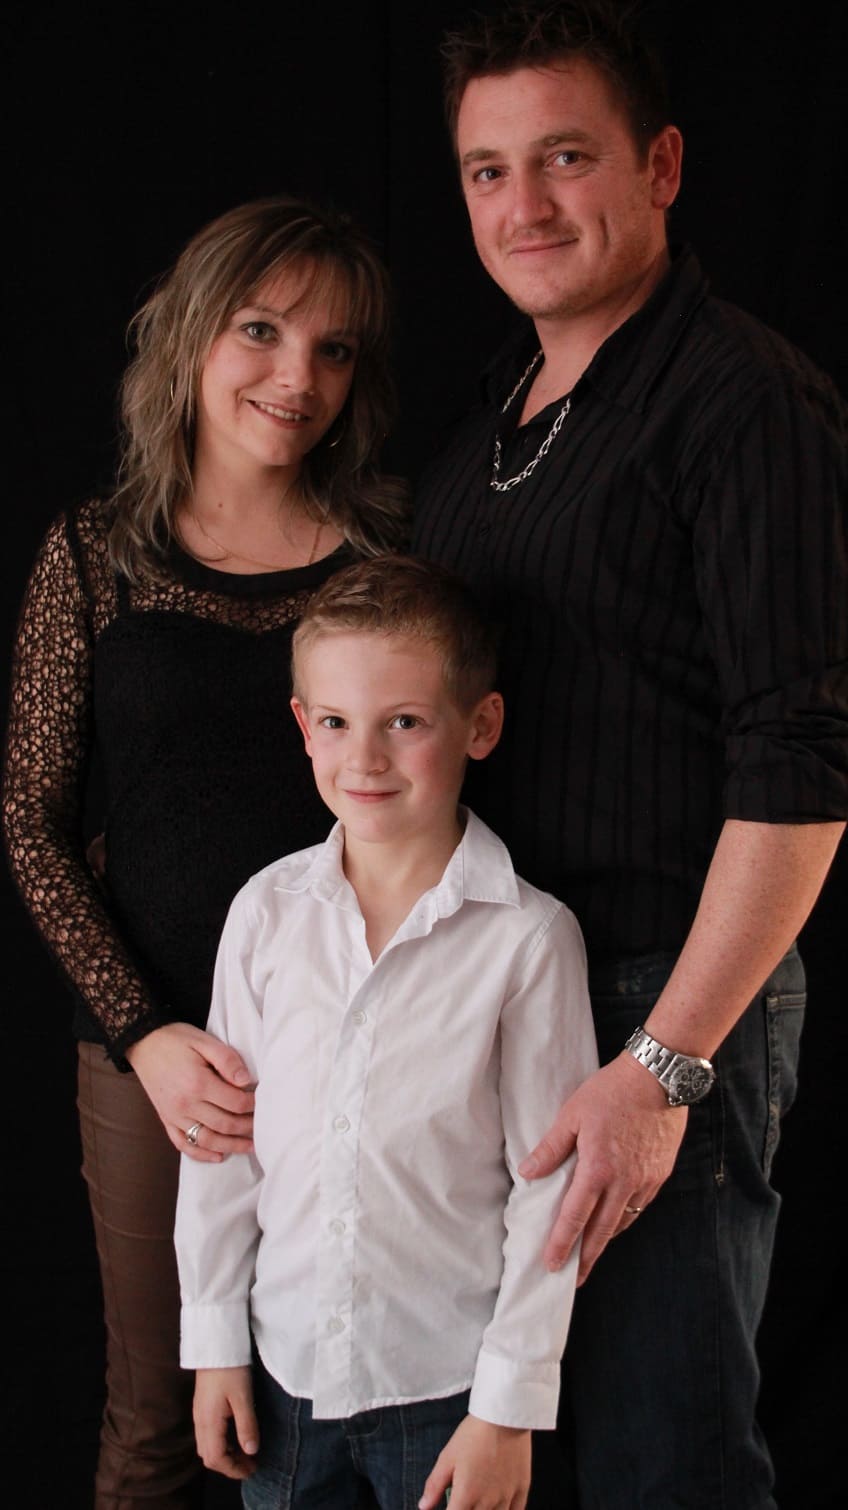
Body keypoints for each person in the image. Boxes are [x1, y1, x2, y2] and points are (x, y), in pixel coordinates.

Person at [411, 3, 848, 1506]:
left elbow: (801, 760)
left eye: (566, 157)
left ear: (659, 166)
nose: (522, 205)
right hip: (505, 993)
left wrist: (660, 1071)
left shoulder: (742, 401)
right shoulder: (500, 410)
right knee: (513, 1448)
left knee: (664, 1462)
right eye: (487, 171)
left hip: (652, 1003)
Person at [2, 195, 408, 1509]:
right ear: (189, 335)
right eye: (262, 330)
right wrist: (145, 1034)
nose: (298, 376)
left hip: (357, 1043)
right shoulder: (94, 555)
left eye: (334, 348)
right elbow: (33, 822)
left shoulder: (385, 556)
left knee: (345, 1412)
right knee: (160, 1420)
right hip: (160, 1060)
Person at [174, 554, 599, 1510]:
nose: (363, 759)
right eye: (335, 722)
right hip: (281, 1379)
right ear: (302, 725)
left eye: (404, 722)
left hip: (445, 1393)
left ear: (479, 725)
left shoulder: (529, 940)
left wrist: (507, 1410)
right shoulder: (266, 913)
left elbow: (550, 1191)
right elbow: (223, 1148)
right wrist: (215, 1346)